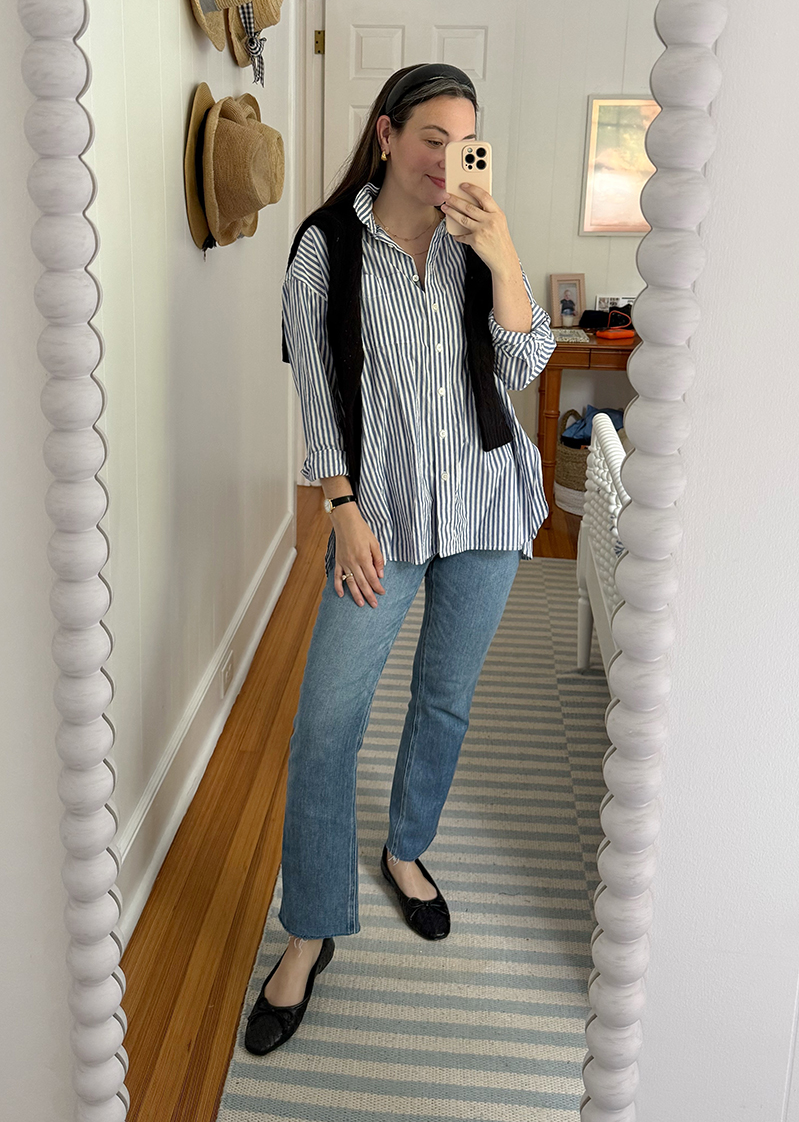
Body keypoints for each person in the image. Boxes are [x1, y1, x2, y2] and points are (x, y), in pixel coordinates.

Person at [244, 63, 556, 1056]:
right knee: (326, 721)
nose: (444, 159)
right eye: (429, 137)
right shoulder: (324, 248)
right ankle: (310, 931)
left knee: (444, 701)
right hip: (375, 519)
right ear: (384, 136)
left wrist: (502, 256)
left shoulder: (476, 245)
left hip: (485, 508)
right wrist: (337, 506)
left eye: (463, 141)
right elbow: (321, 388)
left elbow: (524, 366)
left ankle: (407, 850)